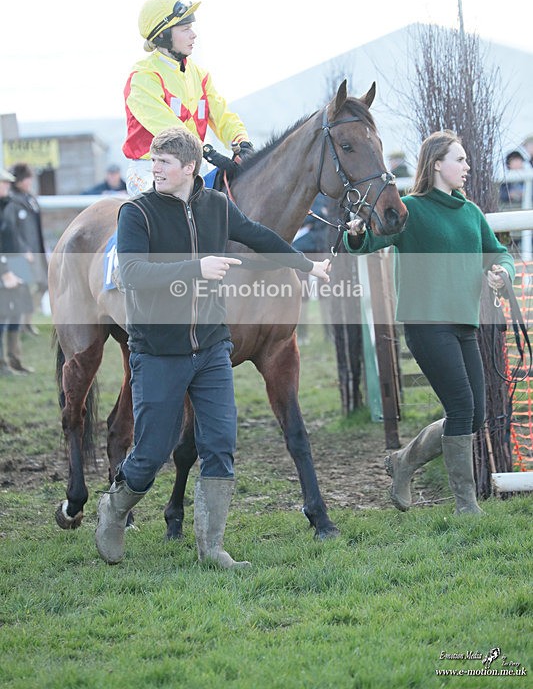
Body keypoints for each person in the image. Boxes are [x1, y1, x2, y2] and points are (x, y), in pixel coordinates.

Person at [95, 127, 331, 566]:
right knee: (150, 454)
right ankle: (113, 508)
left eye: (164, 162)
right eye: (154, 161)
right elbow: (131, 274)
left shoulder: (217, 207)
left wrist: (307, 267)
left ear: (189, 168)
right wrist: (197, 267)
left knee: (220, 443)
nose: (154, 168)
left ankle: (212, 547)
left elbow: (261, 237)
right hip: (158, 350)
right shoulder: (137, 214)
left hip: (211, 348)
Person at [344, 130, 515, 515]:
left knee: (474, 414)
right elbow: (369, 242)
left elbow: (499, 254)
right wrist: (355, 233)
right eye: (460, 159)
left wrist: (502, 274)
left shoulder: (470, 213)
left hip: (464, 324)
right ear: (437, 163)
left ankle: (404, 461)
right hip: (426, 324)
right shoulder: (410, 209)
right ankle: (466, 505)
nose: (467, 167)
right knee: (460, 407)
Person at [123, 0, 253, 196]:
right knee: (170, 212)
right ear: (163, 36)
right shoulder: (143, 77)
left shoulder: (201, 75)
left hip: (194, 166)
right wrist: (209, 151)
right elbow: (170, 130)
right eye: (185, 29)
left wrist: (242, 141)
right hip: (150, 169)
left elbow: (222, 116)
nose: (193, 35)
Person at [5, 162, 47, 348]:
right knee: (24, 288)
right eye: (27, 177)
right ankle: (21, 325)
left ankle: (27, 321)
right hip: (21, 253)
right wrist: (23, 248)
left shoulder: (30, 198)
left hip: (37, 249)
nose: (30, 181)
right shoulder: (11, 201)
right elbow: (11, 229)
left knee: (42, 284)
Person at [0, 167, 32, 376]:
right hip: (5, 266)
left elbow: (14, 235)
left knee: (16, 312)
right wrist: (4, 271)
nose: (7, 186)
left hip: (16, 262)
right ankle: (3, 365)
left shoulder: (9, 204)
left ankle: (14, 359)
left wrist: (24, 252)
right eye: (3, 183)